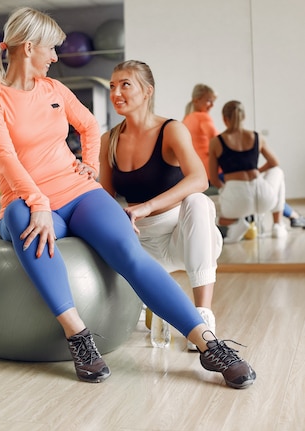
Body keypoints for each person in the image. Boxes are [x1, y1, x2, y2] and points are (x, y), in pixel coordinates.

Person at [0, 7, 256, 390]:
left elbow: (89, 125)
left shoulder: (54, 89)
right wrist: (38, 203)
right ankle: (79, 336)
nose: (56, 57)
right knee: (26, 225)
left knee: (129, 251)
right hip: (28, 200)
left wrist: (88, 164)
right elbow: (4, 158)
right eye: (51, 49)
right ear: (27, 47)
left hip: (78, 192)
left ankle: (207, 342)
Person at [99, 61, 223, 351]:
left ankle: (202, 316)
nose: (116, 92)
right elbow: (104, 197)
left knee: (198, 200)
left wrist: (146, 206)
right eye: (112, 86)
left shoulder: (171, 130)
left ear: (147, 91)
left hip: (184, 236)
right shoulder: (109, 140)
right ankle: (148, 299)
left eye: (125, 84)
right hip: (142, 245)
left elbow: (200, 178)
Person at [184, 84, 305, 229]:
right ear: (196, 100)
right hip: (217, 173)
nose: (212, 105)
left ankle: (291, 216)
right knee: (259, 185)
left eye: (213, 101)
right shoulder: (203, 118)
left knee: (254, 188)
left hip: (203, 172)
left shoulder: (186, 120)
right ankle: (289, 218)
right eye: (208, 100)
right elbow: (222, 145)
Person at [209, 100, 287, 243]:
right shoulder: (257, 137)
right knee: (278, 172)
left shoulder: (216, 142)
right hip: (262, 198)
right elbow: (274, 162)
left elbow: (213, 178)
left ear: (224, 118)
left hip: (235, 201)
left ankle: (235, 222)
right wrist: (257, 170)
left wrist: (225, 190)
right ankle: (277, 225)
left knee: (206, 209)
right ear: (244, 117)